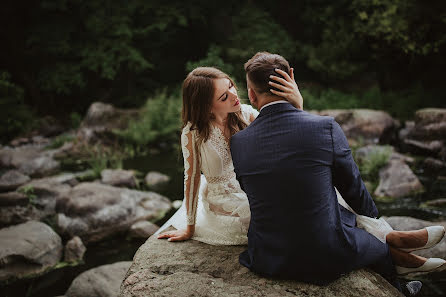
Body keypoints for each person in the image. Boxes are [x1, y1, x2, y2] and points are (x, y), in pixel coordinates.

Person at [155, 65, 444, 293]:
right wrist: (190, 226)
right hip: (225, 200)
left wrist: (298, 107)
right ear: (206, 107)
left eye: (231, 85)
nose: (234, 94)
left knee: (327, 195)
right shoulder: (193, 133)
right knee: (301, 210)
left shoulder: (244, 113)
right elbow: (191, 177)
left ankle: (392, 240)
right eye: (224, 96)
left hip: (253, 188)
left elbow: (288, 134)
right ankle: (398, 251)